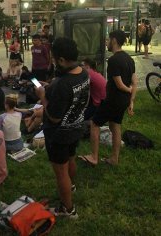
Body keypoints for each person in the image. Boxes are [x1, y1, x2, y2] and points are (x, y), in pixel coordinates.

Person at [35, 37, 90, 219]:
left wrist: (43, 96)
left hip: (59, 134)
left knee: (61, 172)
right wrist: (50, 87)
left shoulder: (62, 85)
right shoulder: (83, 72)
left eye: (54, 58)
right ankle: (71, 186)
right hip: (76, 128)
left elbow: (53, 116)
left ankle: (68, 209)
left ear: (61, 60)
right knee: (71, 158)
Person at [80, 30, 137, 166]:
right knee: (115, 126)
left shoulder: (113, 60)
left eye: (108, 40)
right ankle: (114, 159)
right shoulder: (129, 59)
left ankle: (94, 157)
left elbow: (119, 83)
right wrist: (131, 100)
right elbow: (135, 81)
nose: (106, 42)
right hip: (123, 100)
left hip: (113, 100)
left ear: (115, 41)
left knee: (95, 123)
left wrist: (128, 90)